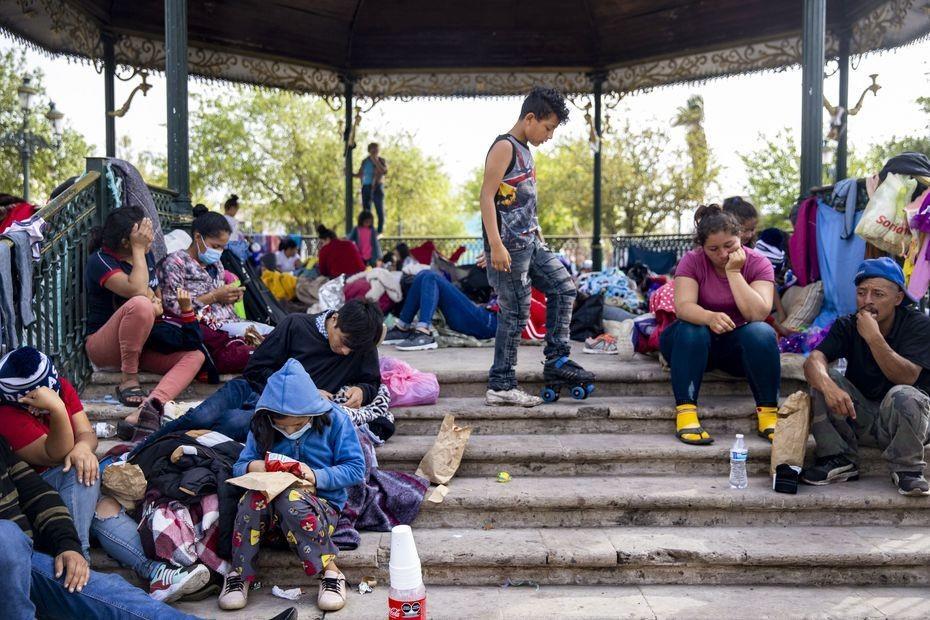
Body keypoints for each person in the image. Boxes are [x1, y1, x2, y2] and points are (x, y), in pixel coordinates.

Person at [0, 347, 211, 602]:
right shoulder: (7, 415)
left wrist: (82, 448)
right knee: (82, 474)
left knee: (103, 503)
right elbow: (56, 454)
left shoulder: (60, 387)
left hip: (76, 493)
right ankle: (81, 564)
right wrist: (57, 411)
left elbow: (87, 436)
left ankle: (156, 571)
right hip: (39, 500)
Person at [218, 359, 364, 612]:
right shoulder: (261, 423)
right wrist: (256, 467)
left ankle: (331, 574)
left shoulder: (336, 420)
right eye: (283, 426)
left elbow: (355, 469)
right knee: (252, 499)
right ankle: (239, 575)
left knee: (290, 499)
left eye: (299, 424)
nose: (292, 430)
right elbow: (239, 466)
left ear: (313, 412)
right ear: (270, 417)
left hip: (319, 508)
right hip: (268, 514)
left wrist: (316, 476)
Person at [135, 299, 385, 445]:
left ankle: (180, 446)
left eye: (351, 350)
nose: (344, 352)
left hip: (280, 412)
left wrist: (361, 390)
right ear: (335, 320)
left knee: (232, 422)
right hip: (251, 388)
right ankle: (142, 449)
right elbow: (255, 369)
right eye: (342, 342)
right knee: (200, 417)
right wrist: (304, 391)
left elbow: (372, 382)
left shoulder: (361, 345)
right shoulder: (296, 325)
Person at [479, 86, 591, 408]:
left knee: (564, 287)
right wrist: (495, 245)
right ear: (530, 118)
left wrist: (538, 234)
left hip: (530, 243)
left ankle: (557, 359)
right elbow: (487, 197)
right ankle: (501, 384)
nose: (550, 135)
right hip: (509, 249)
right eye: (548, 127)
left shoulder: (527, 151)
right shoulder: (505, 147)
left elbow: (522, 204)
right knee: (515, 313)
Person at [802, 258, 930, 496]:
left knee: (904, 394)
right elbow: (813, 361)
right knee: (822, 376)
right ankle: (838, 458)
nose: (867, 300)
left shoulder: (918, 325)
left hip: (909, 424)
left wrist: (873, 338)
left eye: (878, 294)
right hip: (861, 416)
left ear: (898, 298)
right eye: (862, 292)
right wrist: (829, 387)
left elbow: (907, 376)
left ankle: (908, 470)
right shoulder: (848, 324)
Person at [659, 205, 779, 445]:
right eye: (713, 249)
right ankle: (686, 413)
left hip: (733, 347)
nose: (722, 254)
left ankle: (768, 415)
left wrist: (734, 272)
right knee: (693, 327)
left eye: (729, 246)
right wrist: (709, 317)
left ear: (742, 238)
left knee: (762, 332)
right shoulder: (692, 261)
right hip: (689, 343)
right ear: (702, 247)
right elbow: (683, 307)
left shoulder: (758, 263)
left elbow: (757, 313)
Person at [83, 206, 205, 434]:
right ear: (127, 242)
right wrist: (139, 252)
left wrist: (154, 303)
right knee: (140, 304)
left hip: (141, 344)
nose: (151, 237)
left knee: (195, 356)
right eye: (143, 235)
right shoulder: (100, 261)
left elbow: (155, 294)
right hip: (104, 347)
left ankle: (149, 407)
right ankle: (128, 380)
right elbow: (139, 291)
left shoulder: (144, 254)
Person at [158, 205, 273, 339]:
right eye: (215, 246)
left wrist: (232, 296)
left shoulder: (216, 264)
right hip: (209, 327)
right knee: (270, 340)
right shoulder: (175, 263)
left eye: (222, 248)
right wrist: (214, 296)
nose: (218, 252)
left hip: (233, 321)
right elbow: (173, 309)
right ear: (197, 237)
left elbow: (220, 296)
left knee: (278, 332)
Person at [384, 269, 497, 351]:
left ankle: (423, 332)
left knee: (431, 277)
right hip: (484, 312)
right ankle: (402, 328)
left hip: (489, 323)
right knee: (423, 274)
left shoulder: (513, 270)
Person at [354, 142, 388, 233]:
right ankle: (368, 230)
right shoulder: (365, 161)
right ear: (369, 151)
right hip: (366, 187)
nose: (375, 152)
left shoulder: (381, 160)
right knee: (366, 211)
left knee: (379, 209)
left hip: (377, 187)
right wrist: (350, 174)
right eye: (373, 150)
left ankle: (380, 231)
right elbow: (360, 174)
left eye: (376, 150)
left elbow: (384, 171)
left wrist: (375, 160)